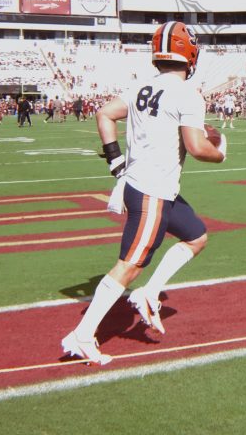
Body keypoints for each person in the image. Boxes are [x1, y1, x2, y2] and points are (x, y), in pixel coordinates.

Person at [61, 21, 227, 365]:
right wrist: (221, 150)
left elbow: (105, 114)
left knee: (196, 237)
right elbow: (197, 147)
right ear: (190, 54)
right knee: (129, 266)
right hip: (153, 191)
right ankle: (82, 335)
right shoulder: (187, 93)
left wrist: (116, 163)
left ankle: (149, 293)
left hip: (148, 186)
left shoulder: (142, 87)